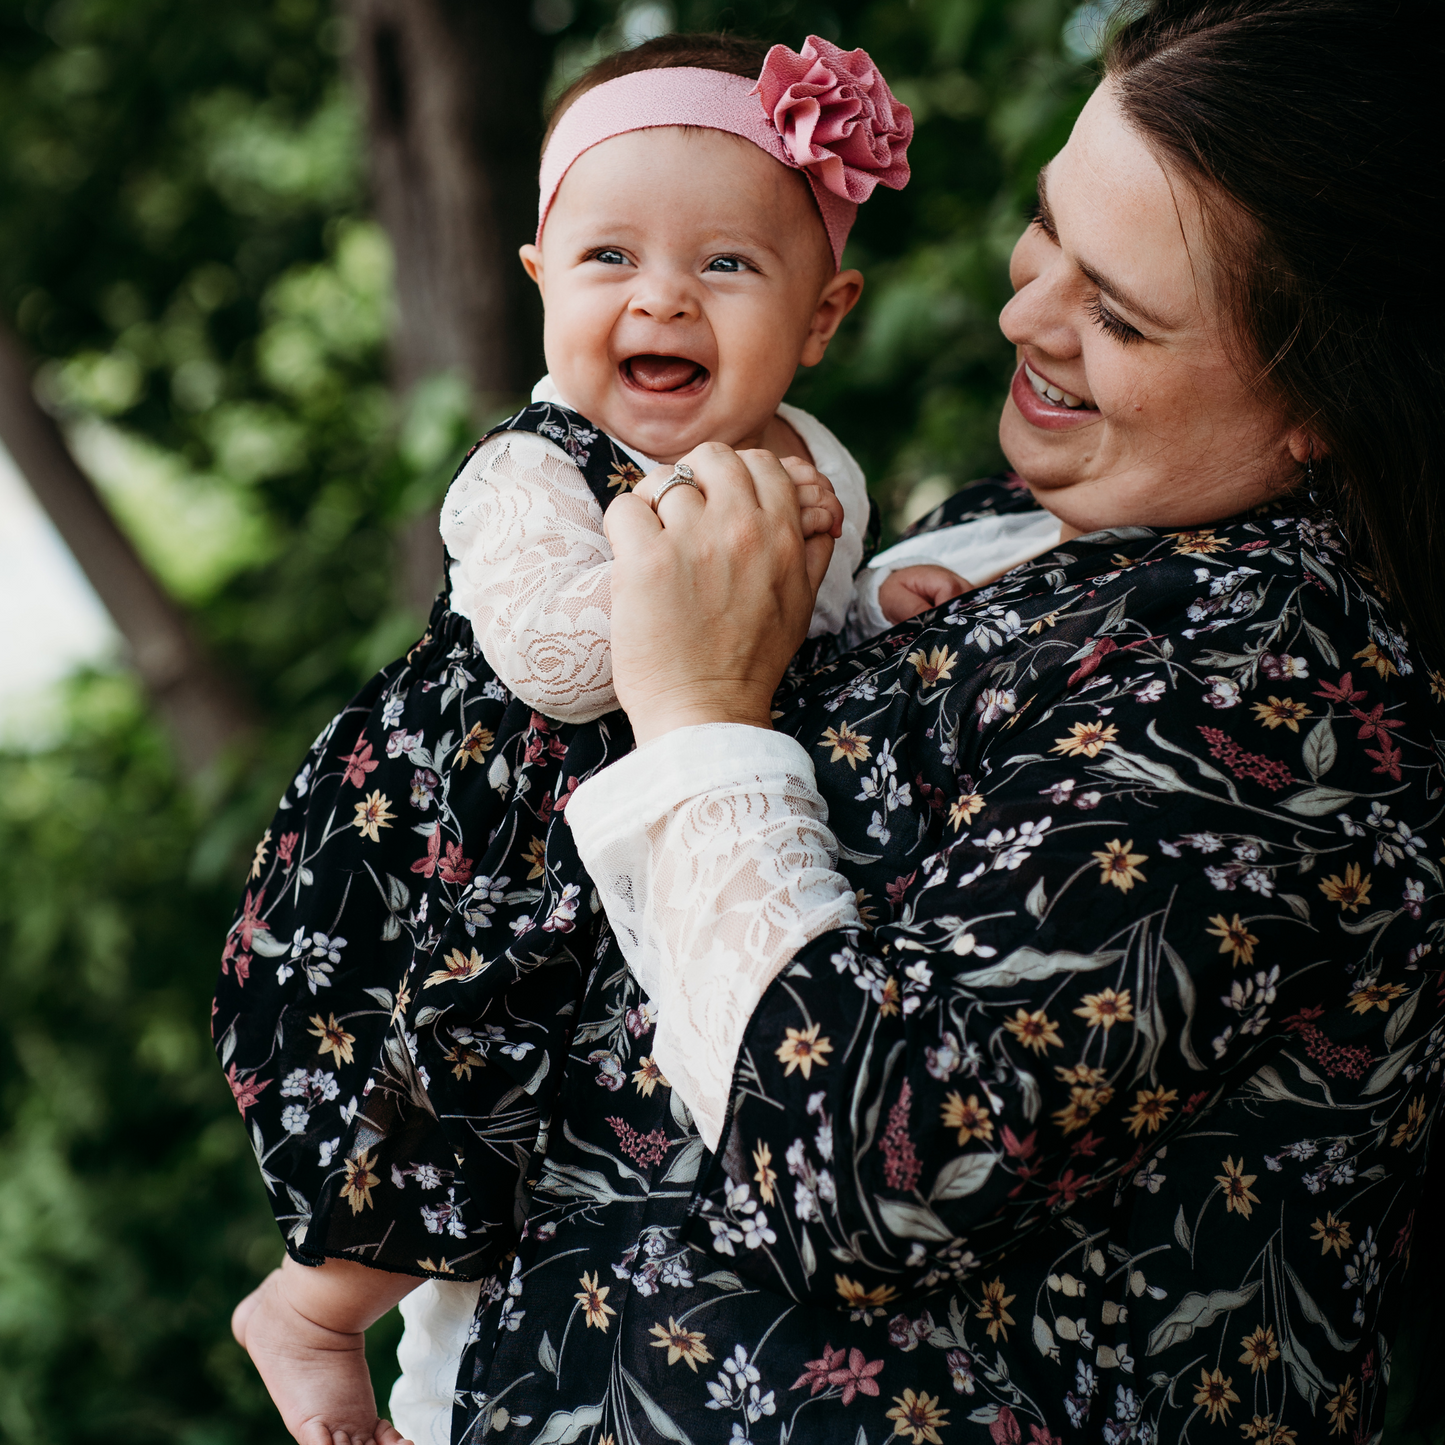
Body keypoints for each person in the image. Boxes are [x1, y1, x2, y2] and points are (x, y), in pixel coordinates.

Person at [231, 0, 1445, 1440]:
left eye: (1116, 312)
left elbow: (870, 1166)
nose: (1024, 315)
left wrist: (693, 708)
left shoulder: (1281, 689)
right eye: (1046, 232)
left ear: (1325, 396)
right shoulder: (1029, 523)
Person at [224, 30, 1055, 1445]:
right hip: (477, 850)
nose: (662, 295)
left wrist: (884, 607)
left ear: (823, 315)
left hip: (639, 852)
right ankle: (310, 1308)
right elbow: (551, 662)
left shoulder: (822, 469)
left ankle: (460, 1369)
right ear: (544, 280)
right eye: (611, 258)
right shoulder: (526, 471)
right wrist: (704, 605)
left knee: (570, 1134)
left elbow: (829, 644)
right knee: (457, 1085)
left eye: (727, 266)